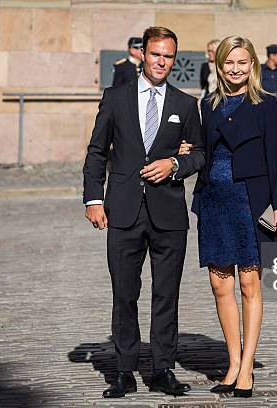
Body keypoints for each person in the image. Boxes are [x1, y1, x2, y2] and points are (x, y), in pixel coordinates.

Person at [83, 26, 205, 398]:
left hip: (168, 213)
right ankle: (123, 371)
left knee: (166, 295)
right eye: (156, 54)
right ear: (143, 55)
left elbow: (199, 154)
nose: (161, 62)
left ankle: (163, 369)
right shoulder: (115, 98)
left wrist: (175, 166)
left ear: (174, 59)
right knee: (125, 293)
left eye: (168, 56)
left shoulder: (185, 104)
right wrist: (93, 199)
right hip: (123, 211)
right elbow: (97, 152)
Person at [192, 35, 277, 398]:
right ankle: (232, 361)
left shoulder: (265, 104)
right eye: (228, 63)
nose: (235, 69)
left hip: (252, 201)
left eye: (242, 62)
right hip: (215, 201)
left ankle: (247, 365)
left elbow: (276, 158)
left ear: (253, 66)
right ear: (219, 65)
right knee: (221, 286)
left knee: (250, 285)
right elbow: (203, 149)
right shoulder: (208, 105)